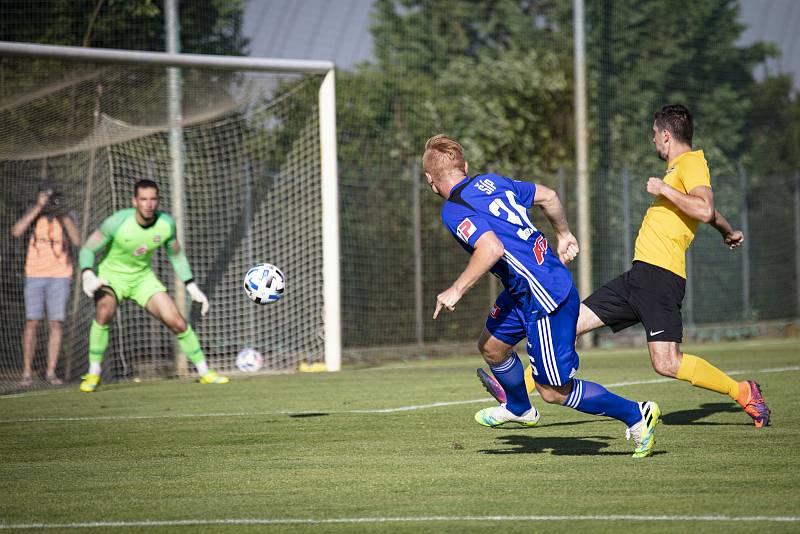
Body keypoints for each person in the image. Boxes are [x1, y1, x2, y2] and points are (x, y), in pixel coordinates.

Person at [478, 104, 771, 429]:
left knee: (667, 363)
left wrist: (664, 189)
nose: (654, 143)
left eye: (653, 136)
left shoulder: (691, 162)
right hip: (639, 276)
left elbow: (704, 208)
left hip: (662, 279)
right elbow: (710, 214)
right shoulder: (680, 172)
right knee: (568, 324)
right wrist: (728, 231)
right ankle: (515, 396)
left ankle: (742, 391)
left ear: (664, 135)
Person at [424, 134, 661, 458]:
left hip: (544, 297)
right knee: (492, 348)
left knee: (552, 391)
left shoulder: (452, 210)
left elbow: (491, 248)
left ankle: (637, 414)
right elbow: (548, 196)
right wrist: (563, 233)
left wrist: (456, 289)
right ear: (464, 167)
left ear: (430, 181)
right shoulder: (491, 182)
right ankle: (520, 408)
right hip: (526, 289)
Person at [78, 179, 228, 392]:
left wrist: (191, 286)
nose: (148, 204)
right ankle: (93, 373)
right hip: (111, 277)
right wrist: (87, 275)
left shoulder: (166, 224)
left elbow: (176, 255)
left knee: (177, 321)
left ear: (158, 201)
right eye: (143, 199)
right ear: (135, 201)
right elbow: (87, 249)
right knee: (104, 313)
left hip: (142, 279)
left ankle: (204, 372)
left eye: (153, 199)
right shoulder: (117, 222)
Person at [11, 184, 80, 386]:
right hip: (34, 274)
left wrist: (63, 213)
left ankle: (51, 372)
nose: (51, 202)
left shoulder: (66, 215)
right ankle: (26, 372)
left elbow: (76, 240)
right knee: (32, 321)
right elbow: (16, 231)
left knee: (55, 323)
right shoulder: (33, 214)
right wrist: (38, 207)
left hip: (60, 275)